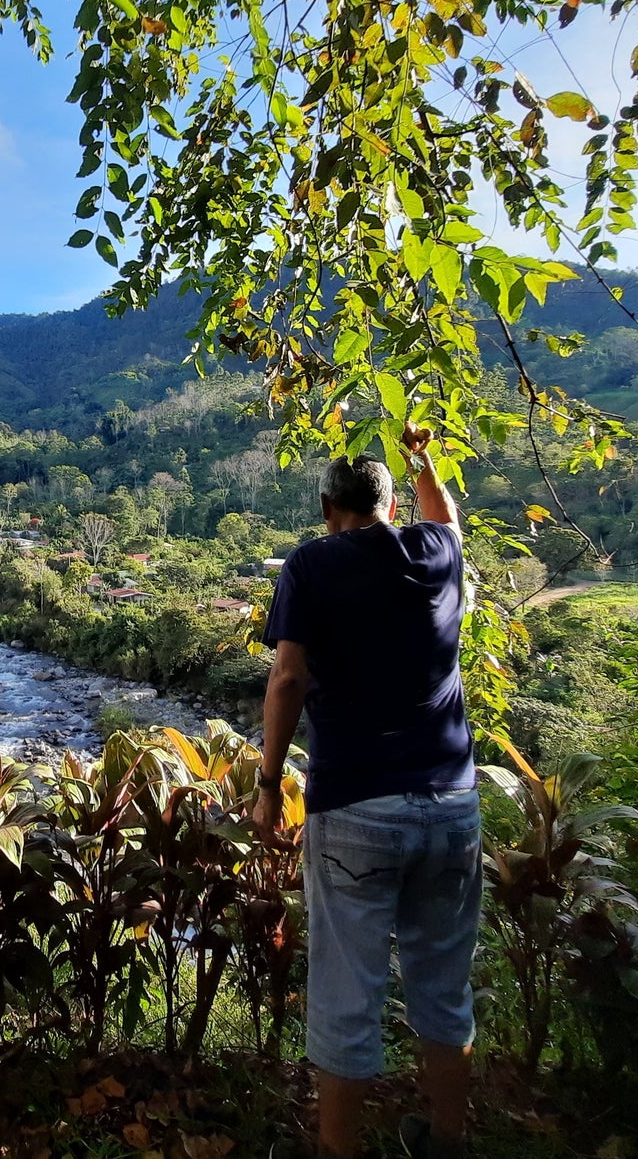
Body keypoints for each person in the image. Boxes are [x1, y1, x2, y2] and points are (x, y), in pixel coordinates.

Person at [252, 425, 479, 1159]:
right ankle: (446, 1137)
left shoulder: (312, 565)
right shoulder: (437, 552)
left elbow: (287, 678)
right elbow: (442, 516)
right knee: (442, 983)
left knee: (348, 987)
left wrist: (265, 785)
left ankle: (337, 1151)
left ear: (326, 506)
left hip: (355, 801)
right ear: (387, 503)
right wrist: (421, 458)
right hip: (452, 800)